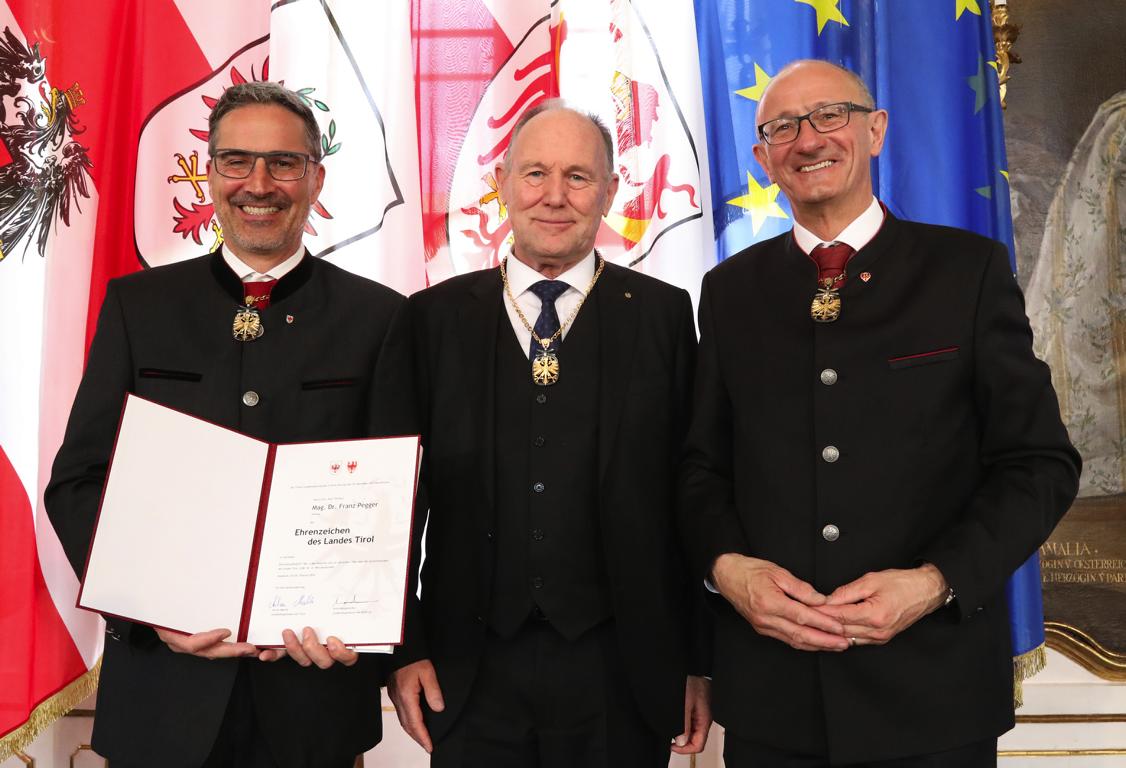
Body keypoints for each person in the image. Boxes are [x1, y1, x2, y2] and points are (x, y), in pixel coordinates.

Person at [680, 59, 1081, 767]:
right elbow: (700, 467)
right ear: (763, 157)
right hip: (774, 696)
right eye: (783, 128)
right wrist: (727, 566)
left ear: (876, 130)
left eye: (829, 115)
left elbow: (1039, 464)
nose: (808, 140)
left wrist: (936, 582)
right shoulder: (729, 291)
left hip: (933, 692)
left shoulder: (967, 272)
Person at [45, 82, 403, 768]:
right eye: (237, 161)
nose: (259, 184)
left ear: (316, 178)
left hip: (314, 697)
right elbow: (79, 483)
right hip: (162, 697)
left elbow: (396, 501)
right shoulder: (137, 308)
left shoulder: (380, 320)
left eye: (284, 163)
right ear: (209, 175)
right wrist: (151, 607)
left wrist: (360, 612)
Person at [386, 100, 711, 767]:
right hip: (467, 670)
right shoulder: (430, 320)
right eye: (534, 174)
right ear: (501, 182)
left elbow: (692, 493)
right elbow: (395, 503)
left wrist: (696, 659)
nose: (554, 197)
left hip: (624, 672)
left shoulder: (663, 316)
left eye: (578, 176)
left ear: (611, 192)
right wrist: (406, 646)